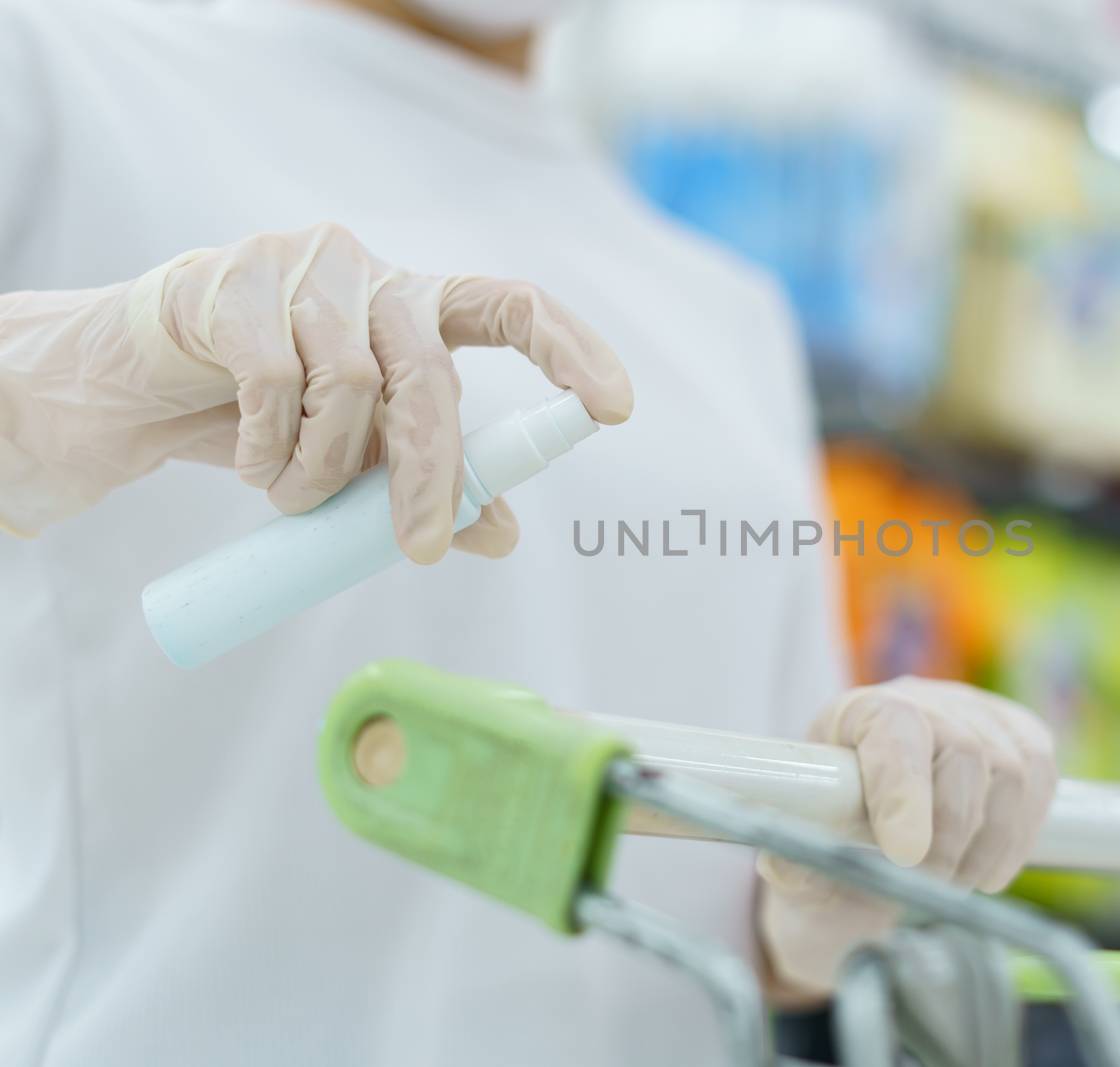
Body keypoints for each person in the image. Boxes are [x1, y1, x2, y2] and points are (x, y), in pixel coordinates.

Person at [0, 1, 1057, 1063]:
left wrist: (849, 858)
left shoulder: (732, 318)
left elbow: (745, 906)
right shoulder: (56, 68)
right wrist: (50, 378)